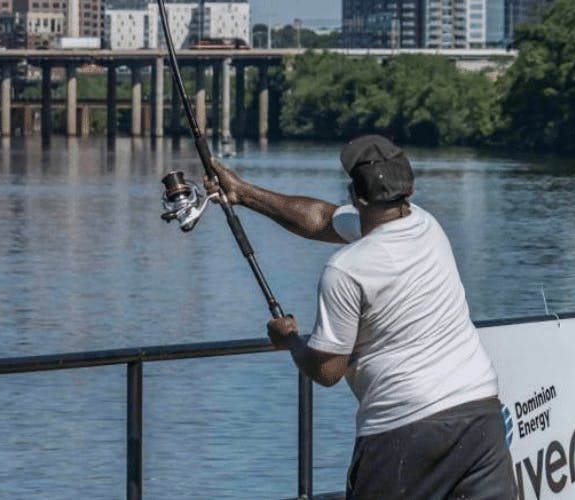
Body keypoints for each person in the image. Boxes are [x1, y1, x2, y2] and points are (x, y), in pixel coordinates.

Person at [209, 135, 514, 500]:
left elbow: (327, 371)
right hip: (480, 414)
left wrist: (288, 338)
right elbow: (322, 219)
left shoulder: (347, 269)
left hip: (404, 427)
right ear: (410, 190)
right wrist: (244, 193)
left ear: (356, 197)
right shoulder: (427, 226)